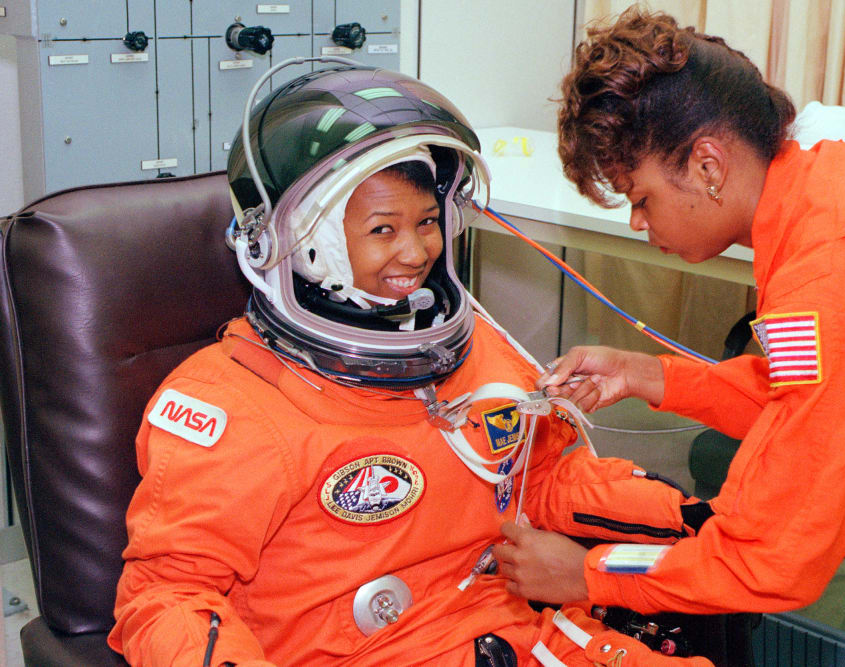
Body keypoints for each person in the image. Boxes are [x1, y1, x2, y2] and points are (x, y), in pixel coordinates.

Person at [106, 64, 716, 666]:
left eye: (427, 222)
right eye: (382, 229)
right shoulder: (233, 405)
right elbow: (169, 598)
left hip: (529, 633)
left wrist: (695, 517)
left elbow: (545, 480)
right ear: (304, 240)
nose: (416, 250)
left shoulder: (479, 350)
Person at [492, 7, 845, 665]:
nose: (641, 224)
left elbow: (775, 559)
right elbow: (802, 399)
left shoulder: (833, 272)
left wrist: (587, 573)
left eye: (640, 198)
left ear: (707, 164)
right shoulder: (818, 196)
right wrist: (647, 374)